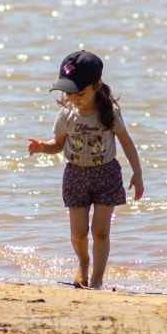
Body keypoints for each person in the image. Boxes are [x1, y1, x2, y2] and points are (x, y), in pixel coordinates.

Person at [27, 50, 144, 289]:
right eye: (69, 93)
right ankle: (83, 264)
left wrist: (138, 173)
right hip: (75, 174)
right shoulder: (66, 115)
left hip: (106, 173)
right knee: (79, 233)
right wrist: (41, 147)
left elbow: (126, 141)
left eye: (80, 93)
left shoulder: (108, 113)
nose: (74, 98)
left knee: (100, 231)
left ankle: (97, 279)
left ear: (96, 85)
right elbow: (58, 146)